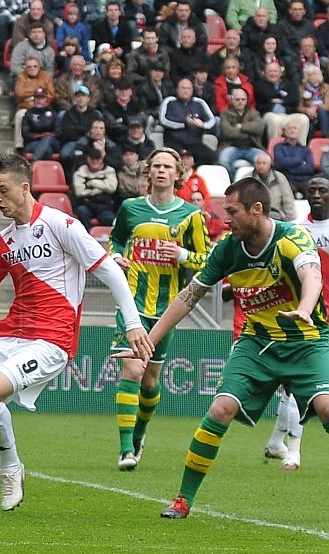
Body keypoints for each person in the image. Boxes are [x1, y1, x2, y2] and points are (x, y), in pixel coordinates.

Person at [0, 154, 153, 512]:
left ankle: (11, 466)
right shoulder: (4, 241)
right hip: (10, 337)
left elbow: (109, 271)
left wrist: (132, 325)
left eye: (3, 190)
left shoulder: (61, 224)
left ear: (25, 188)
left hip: (52, 339)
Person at [113, 177, 329, 519]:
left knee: (326, 407)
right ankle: (183, 501)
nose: (224, 219)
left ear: (256, 210)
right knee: (219, 410)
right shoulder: (227, 248)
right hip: (257, 344)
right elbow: (187, 297)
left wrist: (304, 307)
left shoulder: (291, 237)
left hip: (308, 341)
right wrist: (149, 342)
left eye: (231, 211)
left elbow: (311, 275)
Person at [109, 147, 210, 470]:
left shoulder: (190, 216)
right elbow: (115, 240)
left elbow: (206, 261)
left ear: (178, 174)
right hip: (132, 304)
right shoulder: (131, 209)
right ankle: (126, 449)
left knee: (150, 381)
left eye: (168, 166)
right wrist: (114, 258)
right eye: (157, 166)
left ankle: (139, 434)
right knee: (133, 370)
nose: (162, 171)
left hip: (167, 310)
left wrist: (181, 256)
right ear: (148, 173)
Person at [263, 175, 329, 470]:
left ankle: (277, 441)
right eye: (312, 190)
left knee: (301, 385)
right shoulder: (298, 230)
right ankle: (293, 450)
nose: (316, 194)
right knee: (299, 384)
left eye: (323, 190)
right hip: (306, 315)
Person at [159, 78, 218, 167]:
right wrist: (184, 122)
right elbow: (163, 120)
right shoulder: (169, 101)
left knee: (212, 158)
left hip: (194, 143)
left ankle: (193, 174)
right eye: (183, 88)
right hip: (174, 142)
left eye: (188, 88)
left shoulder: (199, 102)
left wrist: (202, 125)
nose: (186, 91)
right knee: (171, 158)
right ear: (177, 89)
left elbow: (212, 120)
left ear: (192, 90)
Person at [218, 87, 265, 180]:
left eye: (243, 99)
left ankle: (256, 184)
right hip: (232, 147)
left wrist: (241, 126)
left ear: (247, 100)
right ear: (232, 100)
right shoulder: (225, 114)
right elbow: (227, 132)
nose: (240, 102)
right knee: (223, 160)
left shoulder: (254, 113)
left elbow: (259, 128)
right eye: (237, 99)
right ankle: (235, 182)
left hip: (252, 147)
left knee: (265, 161)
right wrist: (248, 133)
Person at [72, 146, 118, 229]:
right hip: (86, 203)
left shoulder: (110, 171)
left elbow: (112, 188)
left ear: (102, 159)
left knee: (110, 218)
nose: (95, 162)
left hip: (104, 205)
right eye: (92, 159)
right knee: (82, 211)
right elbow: (80, 192)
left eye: (98, 159)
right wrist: (101, 189)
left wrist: (93, 183)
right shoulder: (80, 172)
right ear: (87, 159)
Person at [273, 118, 315, 197]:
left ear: (298, 131)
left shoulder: (305, 149)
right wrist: (300, 161)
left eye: (295, 128)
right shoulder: (278, 147)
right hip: (287, 180)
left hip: (304, 181)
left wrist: (288, 168)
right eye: (289, 128)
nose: (292, 130)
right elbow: (279, 164)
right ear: (285, 132)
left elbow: (309, 168)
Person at [251, 151, 297, 221]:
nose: (261, 166)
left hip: (277, 216)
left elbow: (288, 200)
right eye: (259, 163)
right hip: (254, 216)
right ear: (255, 164)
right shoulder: (247, 178)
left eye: (264, 163)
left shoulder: (280, 177)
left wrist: (291, 219)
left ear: (270, 164)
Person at [21, 88, 59, 160]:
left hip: (52, 141)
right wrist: (40, 136)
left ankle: (33, 163)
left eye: (42, 98)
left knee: (48, 137)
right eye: (37, 98)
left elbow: (59, 132)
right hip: (33, 142)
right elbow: (25, 134)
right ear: (34, 99)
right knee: (48, 150)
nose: (39, 100)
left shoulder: (53, 113)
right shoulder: (29, 113)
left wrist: (47, 135)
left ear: (46, 99)